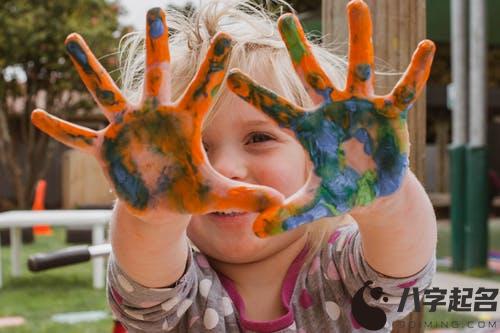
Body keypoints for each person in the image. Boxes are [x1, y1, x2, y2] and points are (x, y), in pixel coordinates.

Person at [31, 0, 437, 332]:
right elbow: (146, 262)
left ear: (318, 156)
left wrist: (386, 199)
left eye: (259, 138)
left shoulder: (340, 267)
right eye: (192, 151)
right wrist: (154, 217)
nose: (225, 167)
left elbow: (403, 271)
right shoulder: (176, 289)